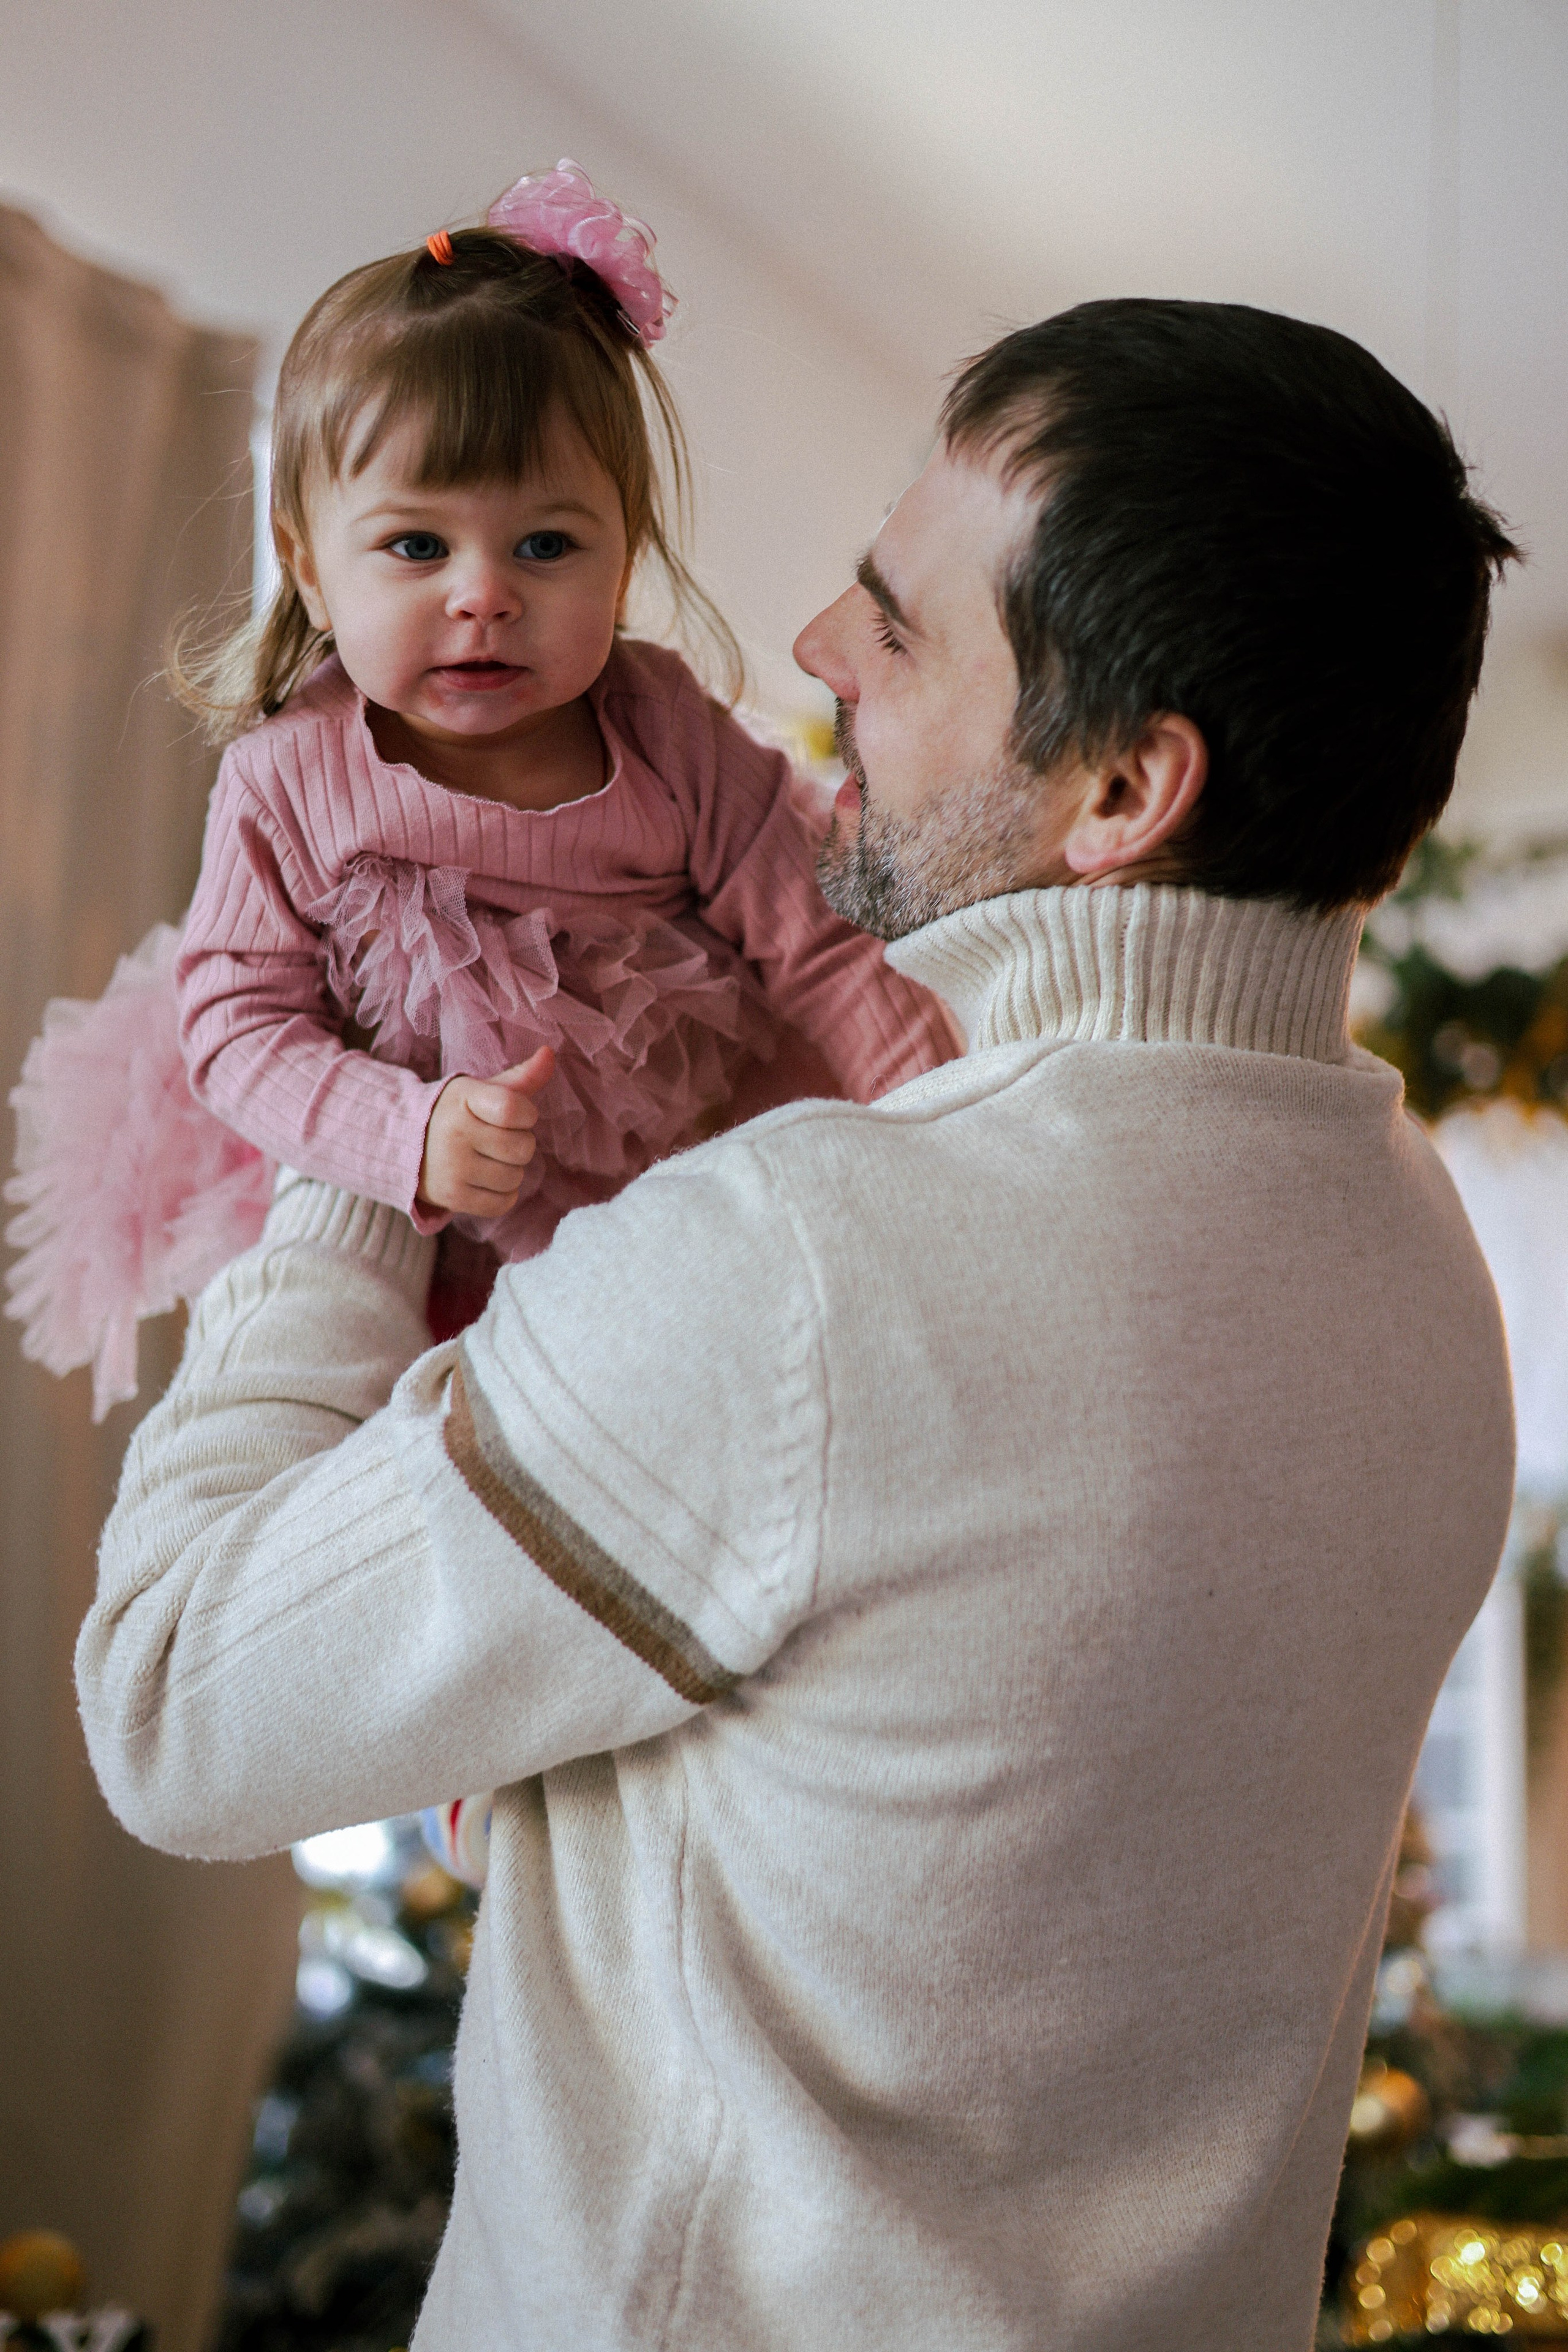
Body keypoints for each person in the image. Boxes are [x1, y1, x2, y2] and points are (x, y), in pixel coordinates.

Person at [80, 298, 1518, 2351]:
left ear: (1123, 789)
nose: (815, 651)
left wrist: (368, 1119)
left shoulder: (816, 1269)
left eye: (900, 631)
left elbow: (172, 1706)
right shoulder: (1419, 1257)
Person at [4, 160, 952, 1420]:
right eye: (417, 546)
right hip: (413, 1220)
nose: (483, 595)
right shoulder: (290, 778)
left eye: (546, 546)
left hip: (660, 1193)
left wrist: (942, 1132)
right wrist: (402, 1133)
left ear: (623, 556)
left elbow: (823, 952)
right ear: (306, 561)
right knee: (389, 1438)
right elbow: (236, 1026)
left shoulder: (667, 733)